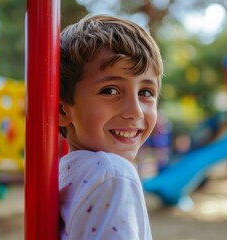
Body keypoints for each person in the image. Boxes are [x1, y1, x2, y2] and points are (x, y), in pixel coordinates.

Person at [58, 14, 163, 240]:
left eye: (146, 93)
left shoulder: (67, 171)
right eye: (110, 90)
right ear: (63, 110)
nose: (135, 111)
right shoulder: (113, 174)